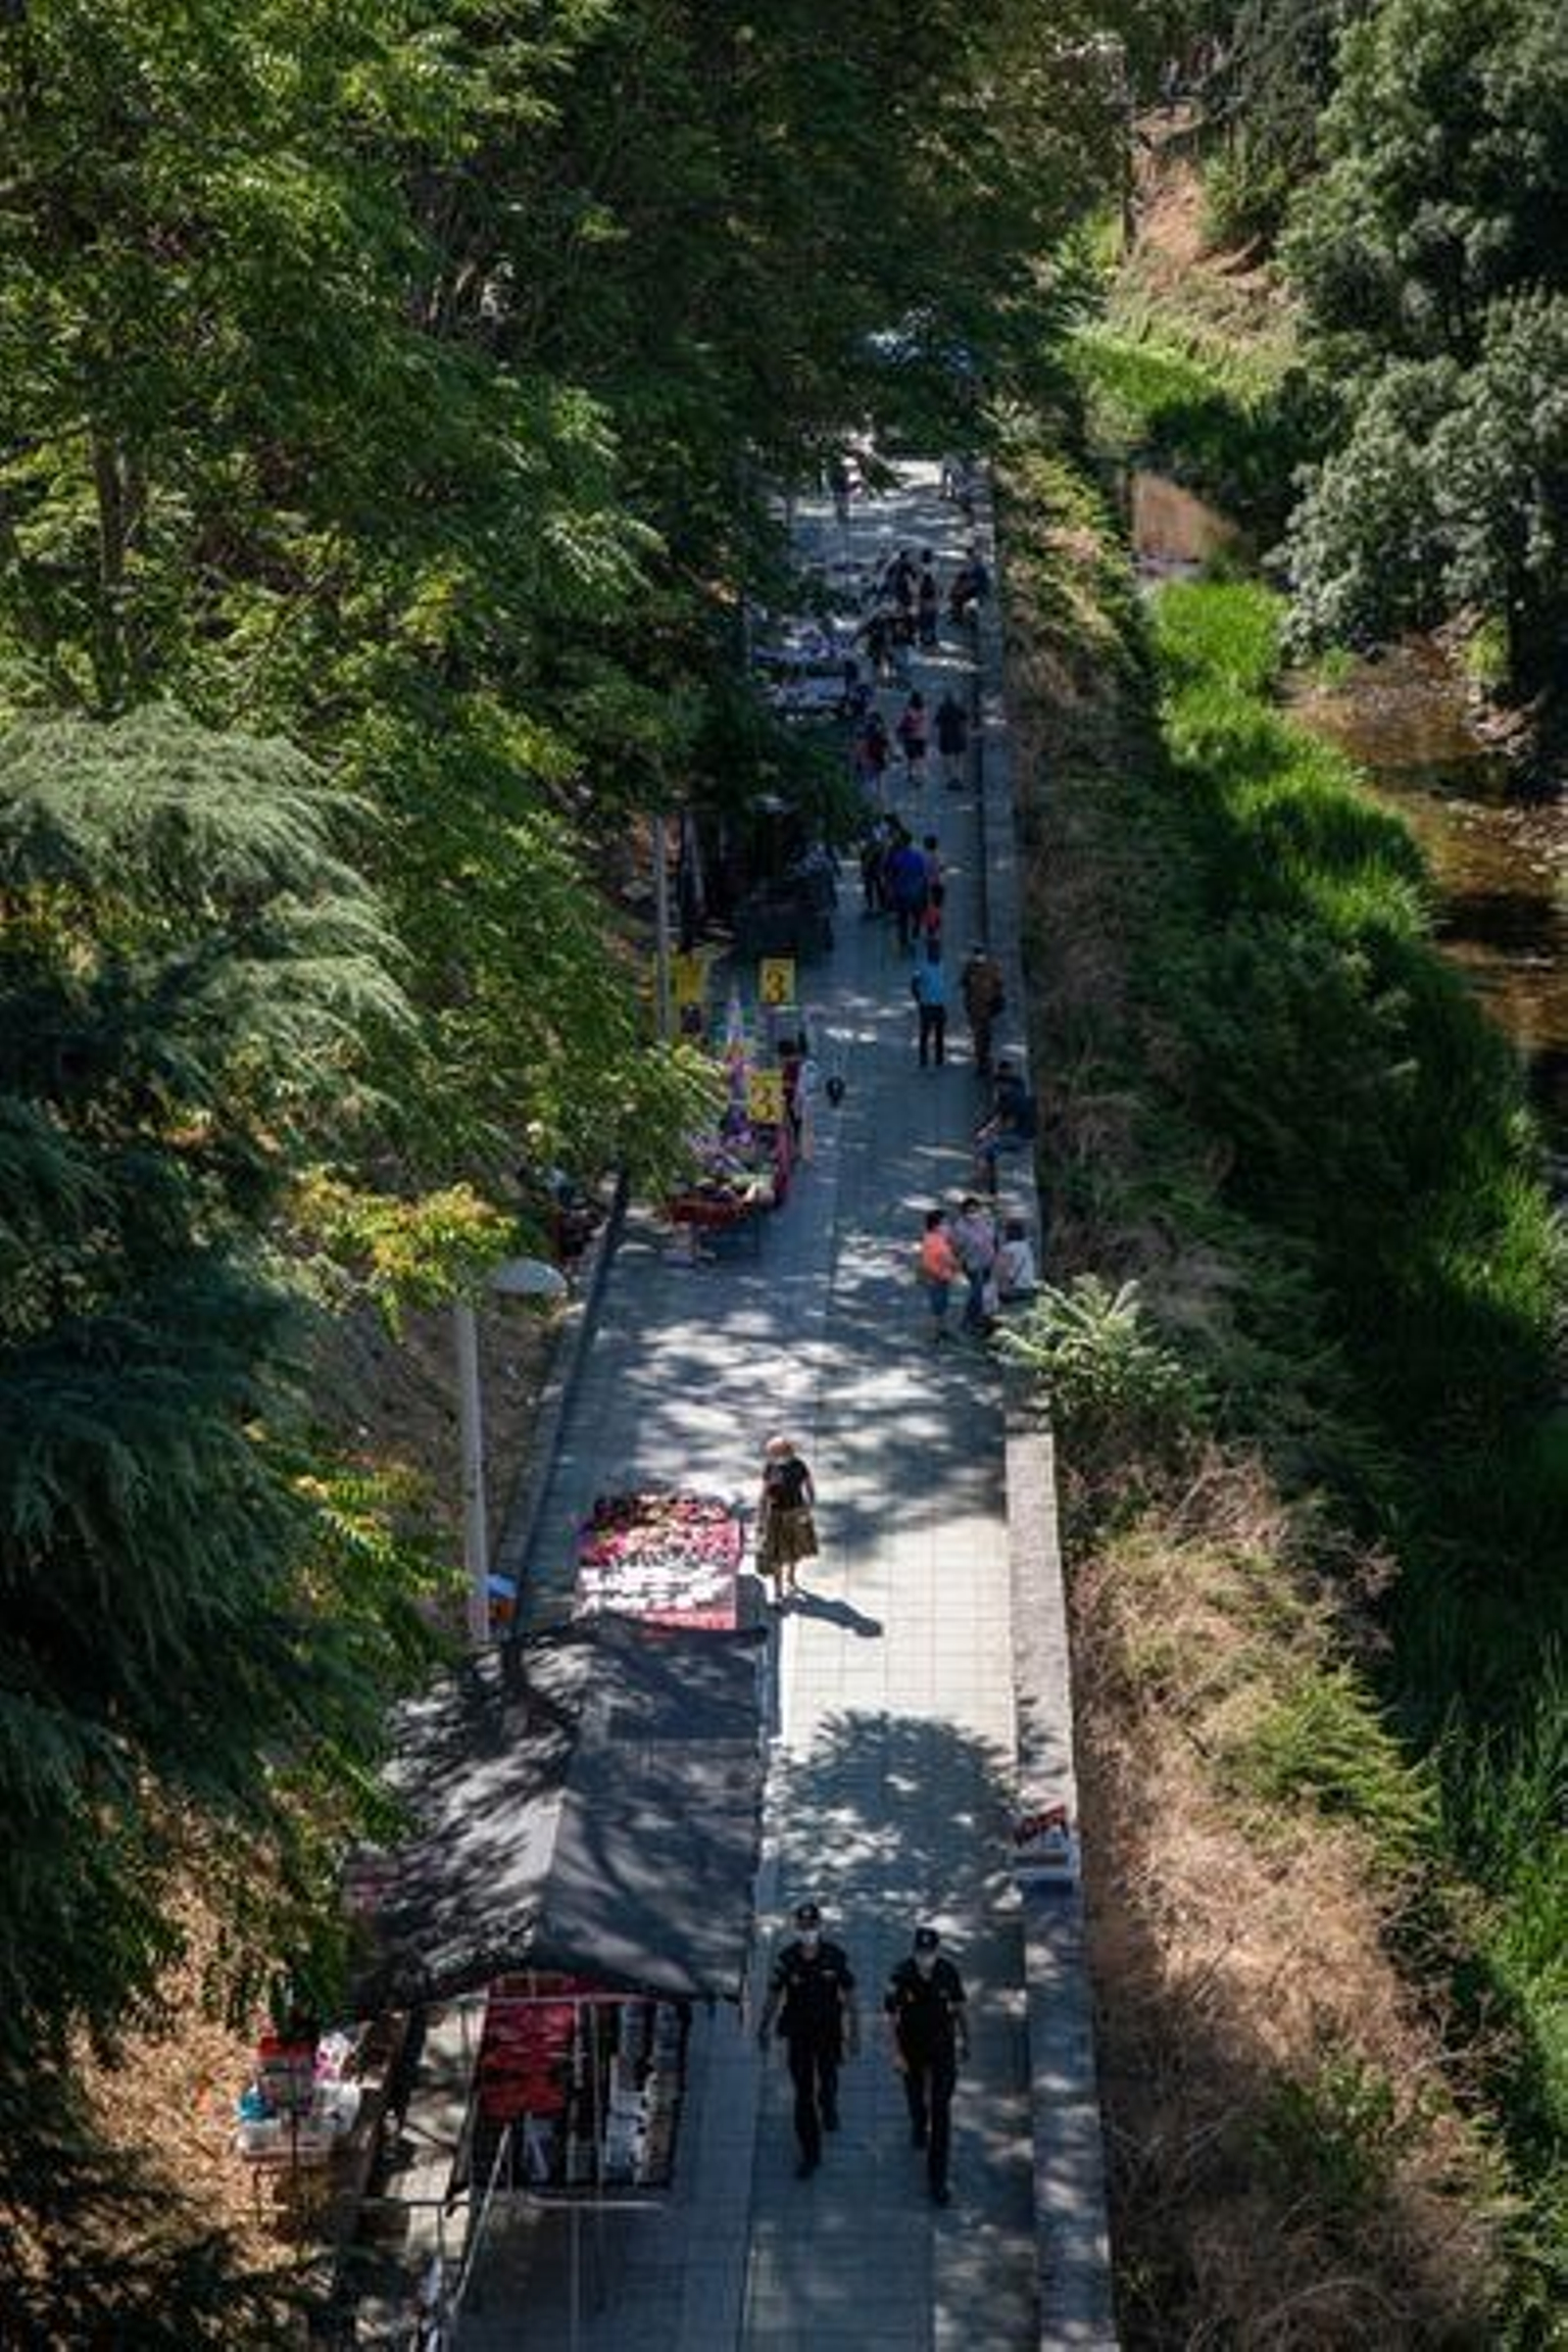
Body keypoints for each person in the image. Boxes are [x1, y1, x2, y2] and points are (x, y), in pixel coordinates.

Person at [758, 1901, 859, 2180]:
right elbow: (774, 1995)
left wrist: (855, 2032)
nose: (808, 1931)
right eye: (803, 1927)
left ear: (820, 1927)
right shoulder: (786, 1960)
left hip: (828, 2032)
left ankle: (829, 2106)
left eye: (812, 1926)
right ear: (796, 1928)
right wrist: (763, 2027)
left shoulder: (834, 1957)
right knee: (803, 2095)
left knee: (827, 2079)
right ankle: (810, 2154)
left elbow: (850, 1995)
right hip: (799, 2034)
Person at [884, 1926, 969, 2206]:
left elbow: (959, 2009)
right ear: (914, 1952)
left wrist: (967, 2040)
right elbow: (891, 2018)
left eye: (930, 1952)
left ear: (937, 1951)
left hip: (942, 2048)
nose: (925, 1957)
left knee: (941, 2110)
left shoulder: (948, 1973)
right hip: (911, 2049)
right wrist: (896, 2053)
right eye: (921, 1953)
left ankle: (937, 2180)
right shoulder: (900, 1976)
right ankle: (919, 2124)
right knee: (915, 2098)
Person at [757, 1433, 818, 1600]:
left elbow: (810, 1489)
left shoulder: (799, 1466)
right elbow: (763, 1494)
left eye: (772, 1453)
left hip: (795, 1512)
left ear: (784, 1452)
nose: (769, 1456)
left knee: (795, 1551)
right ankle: (777, 1590)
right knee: (776, 1556)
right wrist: (760, 1519)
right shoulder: (770, 1467)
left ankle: (791, 1577)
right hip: (775, 1515)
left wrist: (808, 1510)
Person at [973, 1057, 1037, 1192]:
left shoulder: (1010, 1099)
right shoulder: (1020, 1087)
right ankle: (988, 1180)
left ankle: (979, 1183)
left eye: (998, 1087)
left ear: (1004, 1086)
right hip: (1029, 1134)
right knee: (991, 1144)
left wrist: (984, 1132)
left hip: (1020, 1138)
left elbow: (1002, 1122)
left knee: (982, 1148)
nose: (997, 1090)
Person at [950, 1195, 998, 1333]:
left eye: (975, 1210)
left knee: (985, 1291)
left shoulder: (986, 1220)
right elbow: (956, 1248)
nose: (973, 1214)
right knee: (977, 1291)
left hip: (988, 1260)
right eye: (969, 1212)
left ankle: (978, 1319)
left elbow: (993, 1237)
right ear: (964, 1213)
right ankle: (969, 1321)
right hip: (972, 1263)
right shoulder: (960, 1228)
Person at [959, 944, 1004, 1077]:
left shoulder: (972, 967)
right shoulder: (991, 966)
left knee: (981, 1036)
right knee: (983, 1036)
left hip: (980, 1008)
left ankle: (982, 1062)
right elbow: (1000, 984)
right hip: (981, 1009)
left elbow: (963, 983)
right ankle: (982, 1062)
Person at [917, 1206, 959, 1343]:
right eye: (945, 1223)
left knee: (939, 1305)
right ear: (936, 1226)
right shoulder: (939, 1243)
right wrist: (957, 1266)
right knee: (938, 1306)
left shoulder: (928, 1237)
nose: (948, 1226)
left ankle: (941, 1330)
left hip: (932, 1276)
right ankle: (935, 1334)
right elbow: (949, 1260)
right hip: (939, 1278)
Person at [886, 829, 929, 952]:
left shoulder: (897, 857)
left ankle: (904, 941)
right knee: (917, 917)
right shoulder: (918, 856)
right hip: (916, 892)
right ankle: (914, 937)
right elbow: (923, 875)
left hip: (901, 893)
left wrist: (890, 891)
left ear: (902, 842)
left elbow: (891, 876)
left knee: (902, 919)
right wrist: (925, 892)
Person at [910, 941, 948, 1068]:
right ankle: (923, 1060)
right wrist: (919, 999)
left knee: (940, 1034)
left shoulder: (942, 965)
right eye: (934, 951)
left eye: (938, 950)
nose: (936, 953)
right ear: (929, 952)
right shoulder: (922, 966)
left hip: (940, 1005)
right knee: (925, 1034)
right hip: (926, 1005)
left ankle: (939, 1059)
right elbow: (914, 983)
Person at [995, 1215, 1038, 1302]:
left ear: (1008, 1232)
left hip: (1013, 1290)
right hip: (1029, 1287)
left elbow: (1003, 1271)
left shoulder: (1007, 1248)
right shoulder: (1027, 1246)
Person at [935, 691, 969, 790]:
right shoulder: (959, 707)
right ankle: (959, 780)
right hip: (959, 737)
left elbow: (937, 722)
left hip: (946, 738)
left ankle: (951, 780)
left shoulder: (942, 708)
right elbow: (966, 718)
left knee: (949, 760)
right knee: (959, 760)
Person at [896, 691, 928, 786]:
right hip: (922, 736)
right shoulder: (925, 709)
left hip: (910, 736)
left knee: (911, 757)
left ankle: (912, 775)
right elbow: (924, 720)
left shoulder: (909, 709)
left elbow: (905, 720)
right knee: (920, 757)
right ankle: (919, 775)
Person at [916, 554, 940, 649]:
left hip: (924, 599)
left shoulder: (921, 568)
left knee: (924, 621)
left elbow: (918, 580)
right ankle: (932, 639)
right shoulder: (935, 567)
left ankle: (924, 639)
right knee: (931, 621)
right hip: (931, 600)